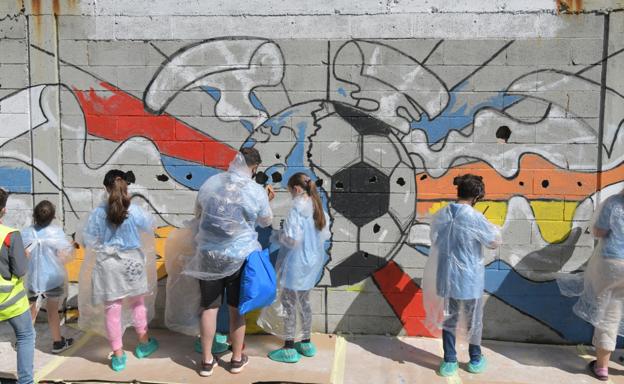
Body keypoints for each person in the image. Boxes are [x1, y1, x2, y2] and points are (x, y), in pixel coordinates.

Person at [184, 147, 274, 377]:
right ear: (254, 168)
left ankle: (205, 362)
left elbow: (198, 214)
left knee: (209, 308)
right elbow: (265, 222)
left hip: (208, 257)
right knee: (236, 310)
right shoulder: (256, 191)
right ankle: (236, 359)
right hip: (239, 258)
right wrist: (267, 198)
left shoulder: (211, 183)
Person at [78, 170, 158, 372]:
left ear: (105, 188)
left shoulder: (98, 213)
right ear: (126, 187)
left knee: (112, 310)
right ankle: (144, 343)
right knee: (138, 303)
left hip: (108, 265)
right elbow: (150, 226)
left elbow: (87, 239)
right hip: (132, 262)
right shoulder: (135, 211)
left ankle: (119, 355)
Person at [422, 174, 501, 377]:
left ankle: (449, 360)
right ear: (476, 196)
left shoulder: (442, 214)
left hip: (446, 277)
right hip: (469, 279)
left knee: (450, 318)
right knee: (474, 319)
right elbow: (493, 241)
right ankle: (475, 359)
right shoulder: (475, 217)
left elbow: (435, 239)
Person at [257, 172, 330, 363]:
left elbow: (292, 239)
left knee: (289, 304)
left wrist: (278, 236)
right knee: (304, 302)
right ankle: (306, 342)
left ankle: (289, 347)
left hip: (296, 263)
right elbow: (324, 235)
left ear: (296, 189)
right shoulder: (318, 207)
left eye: (290, 191)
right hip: (312, 263)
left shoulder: (296, 209)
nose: (290, 195)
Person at [559, 188, 624, 381]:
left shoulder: (614, 203)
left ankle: (602, 367)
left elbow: (599, 231)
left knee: (609, 316)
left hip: (612, 264)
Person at [22, 200, 75, 354]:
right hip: (53, 278)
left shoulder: (26, 233)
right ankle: (57, 342)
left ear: (34, 215)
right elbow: (63, 255)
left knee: (32, 310)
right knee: (52, 311)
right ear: (53, 217)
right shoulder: (56, 233)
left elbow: (23, 254)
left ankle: (24, 342)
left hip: (34, 279)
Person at [0, 188, 35, 384]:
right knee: (25, 336)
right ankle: (26, 381)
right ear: (3, 210)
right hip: (12, 302)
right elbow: (20, 270)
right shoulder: (10, 235)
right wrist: (25, 256)